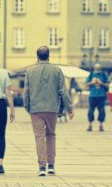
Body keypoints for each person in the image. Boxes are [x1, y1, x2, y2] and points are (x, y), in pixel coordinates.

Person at [24, 46, 74, 176]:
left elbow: (26, 91)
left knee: (39, 136)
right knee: (51, 135)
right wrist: (69, 108)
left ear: (37, 56)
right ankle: (51, 165)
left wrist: (27, 106)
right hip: (52, 108)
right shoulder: (57, 70)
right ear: (48, 56)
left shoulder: (29, 71)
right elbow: (63, 90)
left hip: (36, 109)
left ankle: (42, 167)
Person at [86, 64, 109, 132]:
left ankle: (101, 125)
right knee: (90, 110)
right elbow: (87, 84)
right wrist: (92, 82)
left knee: (101, 110)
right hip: (92, 95)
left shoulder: (103, 75)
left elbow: (107, 85)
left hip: (101, 96)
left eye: (98, 68)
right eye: (96, 68)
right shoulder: (91, 74)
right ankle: (90, 125)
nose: (97, 70)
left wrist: (101, 83)